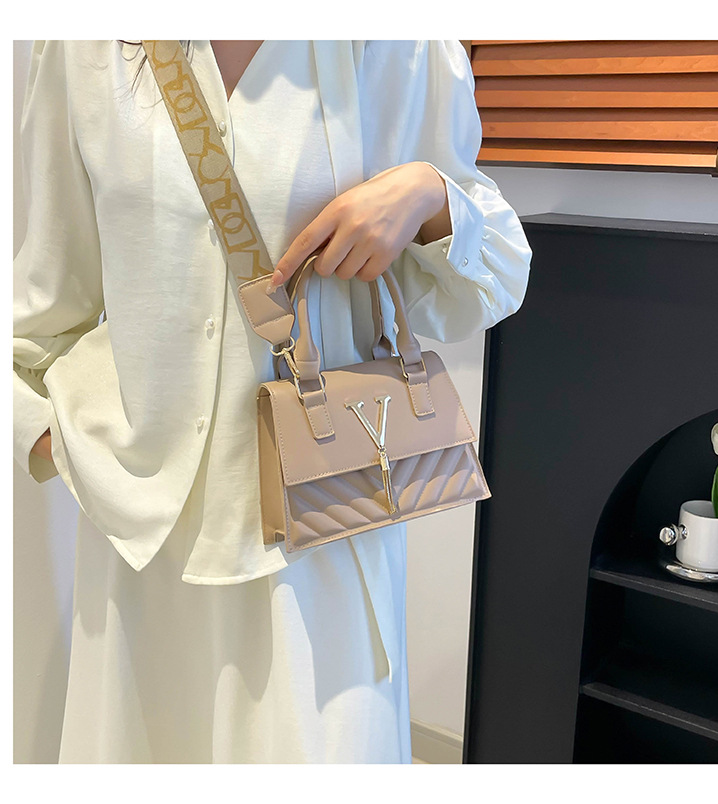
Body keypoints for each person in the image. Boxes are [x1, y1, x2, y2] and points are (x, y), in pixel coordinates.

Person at [13, 39, 532, 763]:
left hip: (324, 530)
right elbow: (43, 300)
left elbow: (497, 276)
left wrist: (428, 196)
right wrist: (54, 438)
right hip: (143, 542)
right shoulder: (82, 45)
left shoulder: (400, 43)